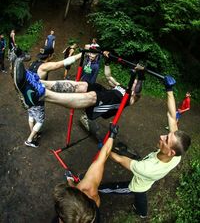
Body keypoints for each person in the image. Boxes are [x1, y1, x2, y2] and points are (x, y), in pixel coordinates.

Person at [98, 77, 191, 219]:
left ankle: (99, 189)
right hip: (148, 178)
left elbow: (121, 160)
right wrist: (169, 90)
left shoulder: (147, 168)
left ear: (171, 152)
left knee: (120, 189)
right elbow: (172, 117)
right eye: (166, 135)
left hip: (137, 184)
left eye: (166, 139)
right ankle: (142, 212)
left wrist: (105, 150)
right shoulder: (176, 154)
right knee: (141, 197)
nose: (161, 136)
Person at [14, 53, 144, 120]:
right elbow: (108, 76)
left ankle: (39, 94)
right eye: (134, 81)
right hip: (105, 92)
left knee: (92, 96)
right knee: (82, 85)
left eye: (135, 83)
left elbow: (137, 90)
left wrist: (141, 76)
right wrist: (108, 60)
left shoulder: (133, 97)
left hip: (111, 102)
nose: (134, 83)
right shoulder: (121, 86)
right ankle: (36, 83)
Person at [52, 123, 119, 223]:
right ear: (86, 197)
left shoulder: (85, 191)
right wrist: (111, 136)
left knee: (75, 186)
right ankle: (70, 181)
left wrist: (112, 136)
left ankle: (70, 180)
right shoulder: (90, 193)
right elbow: (101, 160)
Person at [21, 48, 82, 148]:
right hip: (37, 96)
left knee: (31, 114)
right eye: (52, 54)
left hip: (28, 94)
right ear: (49, 55)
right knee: (40, 121)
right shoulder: (45, 66)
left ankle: (34, 132)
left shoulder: (33, 63)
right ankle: (29, 140)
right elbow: (63, 63)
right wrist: (81, 54)